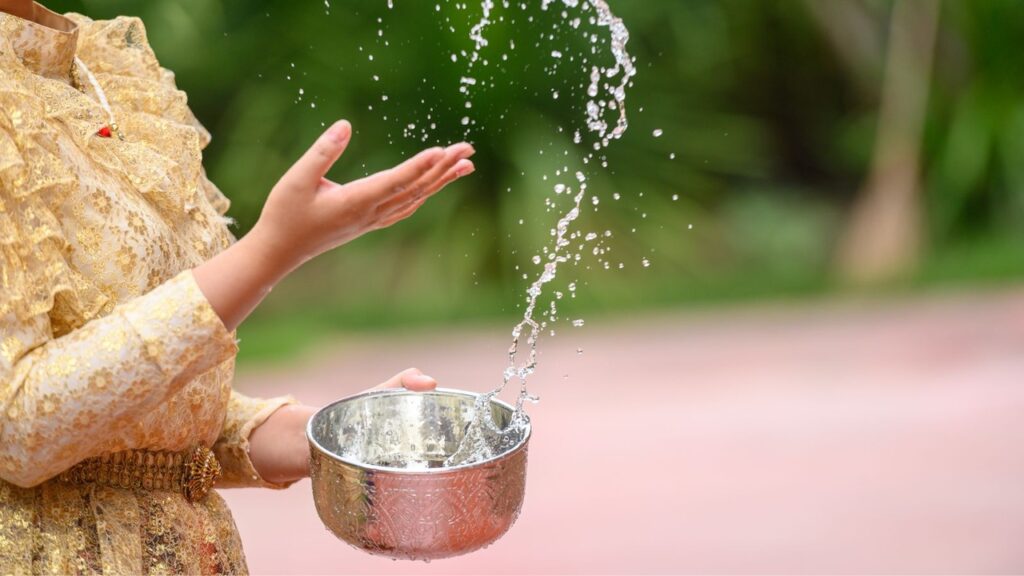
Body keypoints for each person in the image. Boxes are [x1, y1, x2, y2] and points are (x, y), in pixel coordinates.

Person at [0, 1, 476, 573]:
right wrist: (271, 251)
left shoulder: (98, 69)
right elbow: (19, 425)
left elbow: (132, 419)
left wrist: (327, 436)